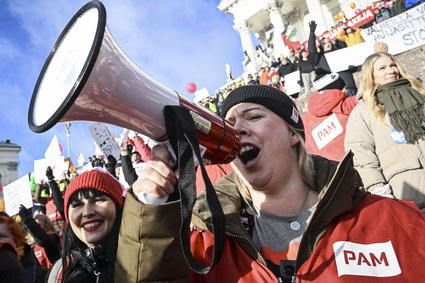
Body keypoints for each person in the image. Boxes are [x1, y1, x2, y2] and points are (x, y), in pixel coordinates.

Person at [130, 85, 425, 282]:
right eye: (229, 126)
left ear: (293, 134)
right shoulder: (204, 248)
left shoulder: (395, 220)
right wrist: (150, 209)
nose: (238, 130)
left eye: (253, 116)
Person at [345, 52, 425, 211]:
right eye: (382, 68)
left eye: (393, 65)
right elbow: (361, 156)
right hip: (409, 200)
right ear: (371, 76)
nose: (391, 71)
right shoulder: (363, 111)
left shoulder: (419, 93)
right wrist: (379, 191)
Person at [302, 73, 357, 161]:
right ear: (341, 90)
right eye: (346, 87)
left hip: (329, 171)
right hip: (357, 163)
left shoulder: (305, 120)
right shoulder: (348, 105)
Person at [308, 21, 358, 97]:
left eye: (328, 42)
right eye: (324, 43)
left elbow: (352, 67)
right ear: (321, 46)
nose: (327, 44)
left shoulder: (339, 53)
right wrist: (312, 33)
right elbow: (311, 49)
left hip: (348, 86)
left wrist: (352, 68)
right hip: (334, 91)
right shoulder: (319, 57)